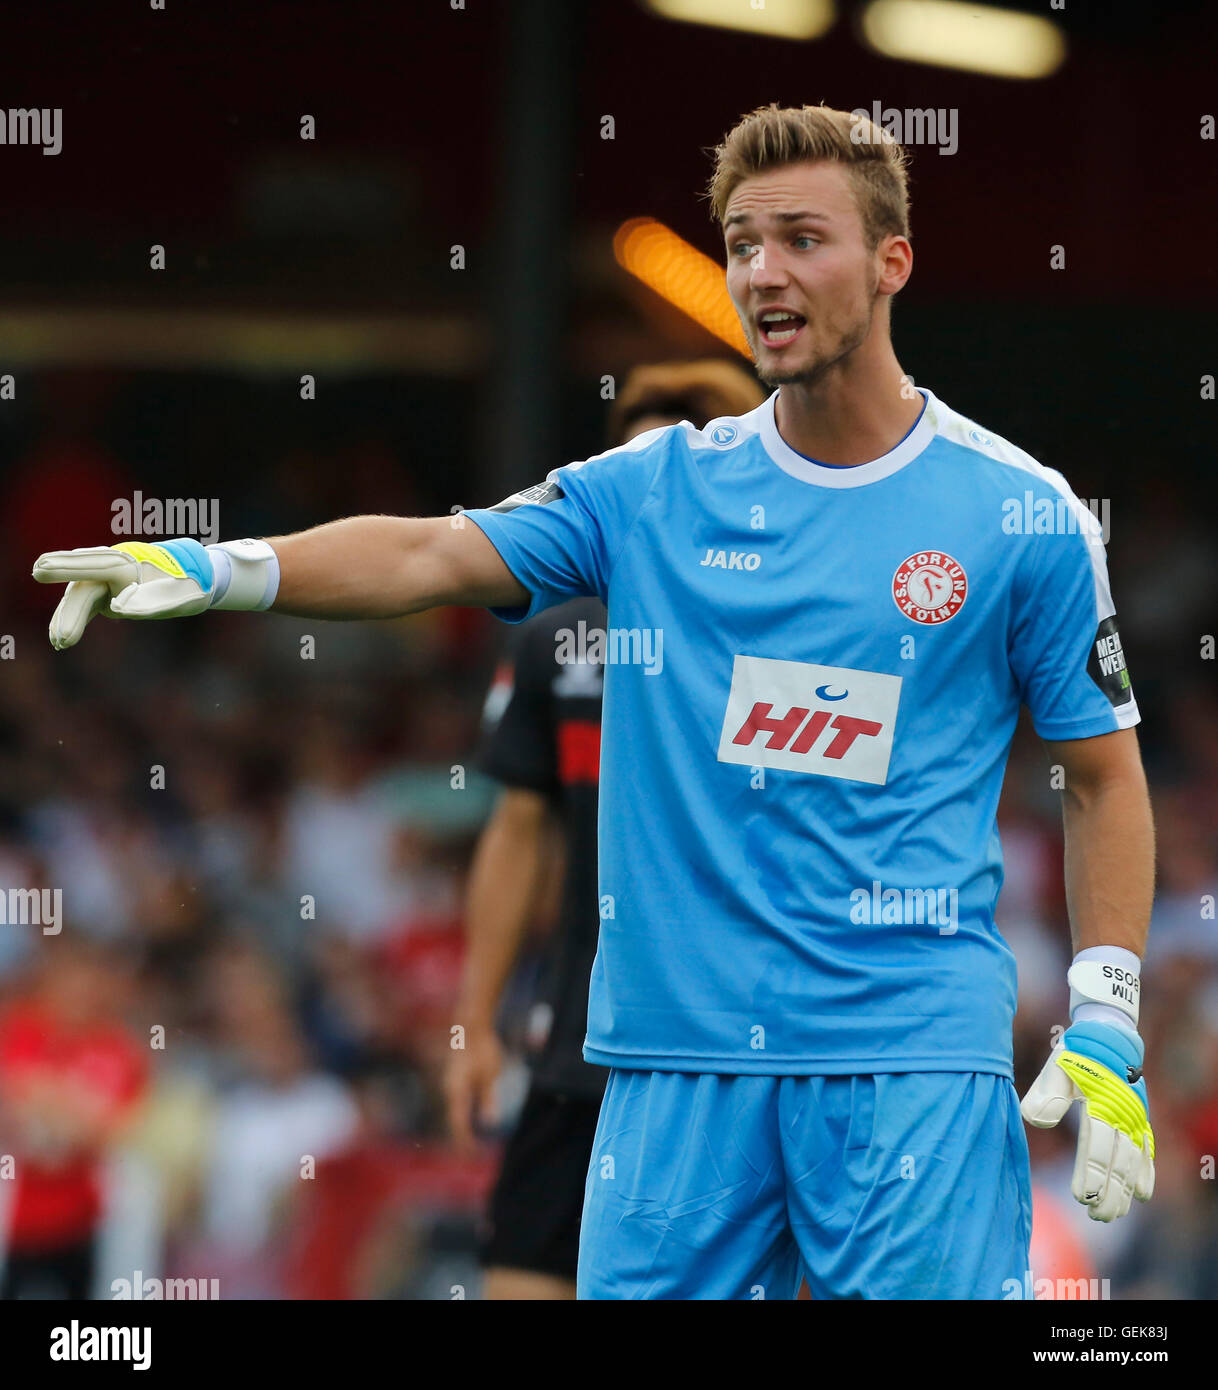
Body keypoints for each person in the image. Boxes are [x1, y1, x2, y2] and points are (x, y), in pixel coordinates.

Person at [33, 102, 1156, 1300]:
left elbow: (1102, 774)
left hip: (909, 1059)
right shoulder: (655, 490)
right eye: (740, 243)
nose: (762, 272)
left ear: (893, 263)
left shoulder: (1018, 513)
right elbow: (430, 555)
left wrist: (1106, 1015)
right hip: (675, 1067)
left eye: (801, 238)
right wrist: (226, 567)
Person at [446, 361, 766, 1300]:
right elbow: (519, 832)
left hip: (733, 1060)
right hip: (576, 1050)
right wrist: (473, 1020)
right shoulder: (557, 643)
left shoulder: (792, 636)